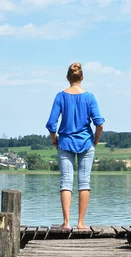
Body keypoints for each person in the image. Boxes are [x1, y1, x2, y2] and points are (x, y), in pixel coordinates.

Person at [45, 62, 104, 230]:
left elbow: (51, 124)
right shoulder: (90, 97)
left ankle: (66, 223)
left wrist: (54, 140)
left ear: (67, 78)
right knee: (84, 182)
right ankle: (81, 223)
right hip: (86, 143)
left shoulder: (60, 96)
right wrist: (96, 140)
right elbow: (99, 124)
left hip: (65, 143)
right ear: (82, 77)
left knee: (66, 183)